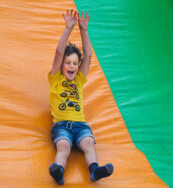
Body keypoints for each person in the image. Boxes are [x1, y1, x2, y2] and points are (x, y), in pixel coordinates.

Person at [48, 9, 114, 185]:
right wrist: (68, 28)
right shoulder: (55, 78)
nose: (72, 66)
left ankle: (94, 170)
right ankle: (58, 170)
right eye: (68, 63)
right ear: (61, 66)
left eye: (75, 63)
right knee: (64, 146)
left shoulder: (79, 80)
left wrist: (84, 30)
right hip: (61, 125)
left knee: (88, 143)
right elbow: (58, 52)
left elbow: (89, 55)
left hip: (81, 125)